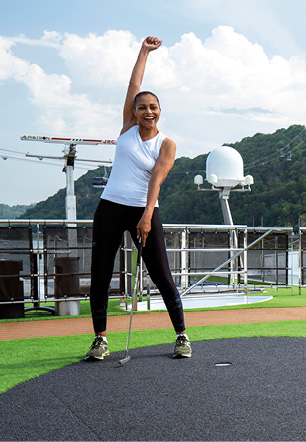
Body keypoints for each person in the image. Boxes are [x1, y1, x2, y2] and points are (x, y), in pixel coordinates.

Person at [85, 36, 191, 361]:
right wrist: (144, 51)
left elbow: (156, 180)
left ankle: (181, 336)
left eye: (153, 107)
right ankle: (100, 340)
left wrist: (146, 216)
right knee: (100, 275)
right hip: (109, 207)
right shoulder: (127, 127)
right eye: (142, 106)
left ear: (160, 112)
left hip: (144, 210)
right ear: (134, 111)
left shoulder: (167, 145)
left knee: (161, 275)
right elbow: (135, 82)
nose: (148, 111)